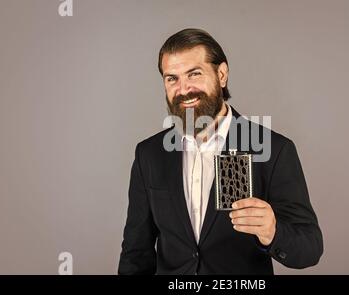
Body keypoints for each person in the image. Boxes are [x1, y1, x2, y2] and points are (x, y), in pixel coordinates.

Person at [118, 28, 323, 274]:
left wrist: (273, 232)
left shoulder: (273, 149)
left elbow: (309, 247)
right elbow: (136, 253)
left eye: (194, 74)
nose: (183, 89)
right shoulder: (149, 154)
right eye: (172, 78)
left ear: (222, 74)